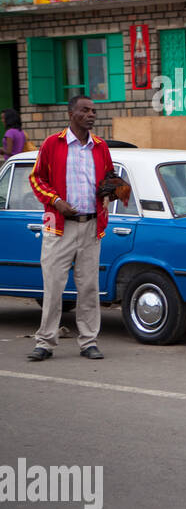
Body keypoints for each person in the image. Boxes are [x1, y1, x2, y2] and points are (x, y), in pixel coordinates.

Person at [26, 94, 118, 361]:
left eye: (93, 110)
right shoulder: (52, 144)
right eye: (85, 110)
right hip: (58, 226)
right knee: (53, 286)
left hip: (91, 226)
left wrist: (113, 190)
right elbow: (36, 178)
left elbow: (109, 178)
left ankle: (89, 341)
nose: (91, 114)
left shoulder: (100, 147)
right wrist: (56, 201)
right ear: (71, 114)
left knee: (89, 287)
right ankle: (45, 342)